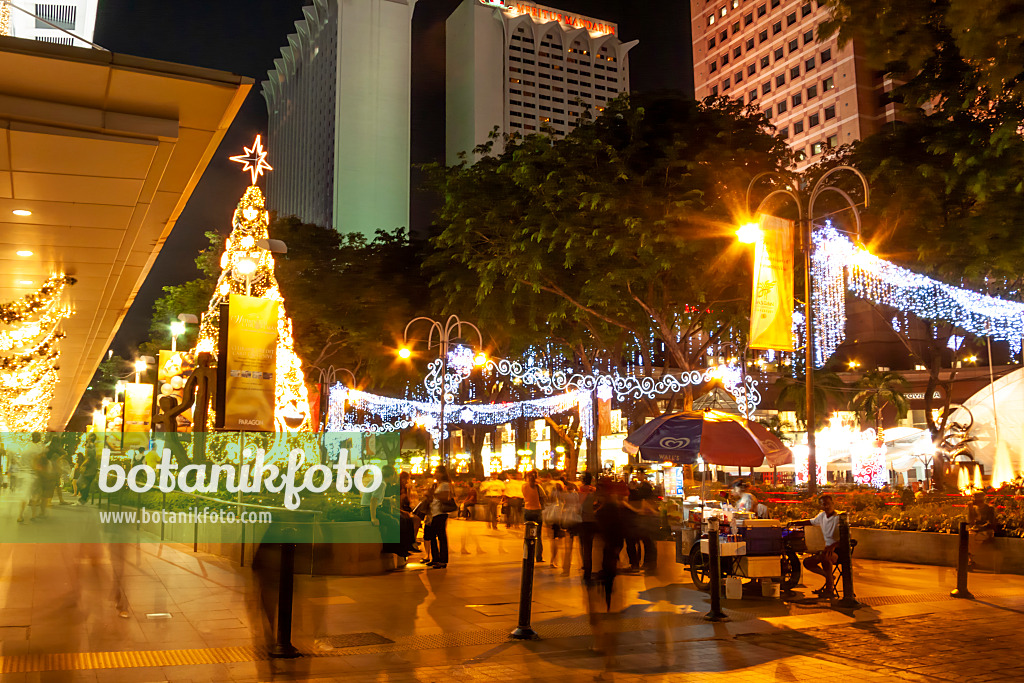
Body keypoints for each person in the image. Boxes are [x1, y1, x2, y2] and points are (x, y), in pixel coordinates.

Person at [798, 494, 841, 597]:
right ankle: (829, 577)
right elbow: (810, 522)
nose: (826, 507)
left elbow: (847, 538)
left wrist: (833, 546)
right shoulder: (821, 516)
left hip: (839, 551)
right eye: (824, 505)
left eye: (828, 504)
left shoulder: (839, 517)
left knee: (826, 557)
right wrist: (794, 523)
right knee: (807, 562)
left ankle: (829, 589)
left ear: (833, 504)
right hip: (827, 550)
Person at [428, 466, 454, 568]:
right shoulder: (438, 485)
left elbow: (445, 497)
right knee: (432, 536)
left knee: (441, 536)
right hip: (434, 513)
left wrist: (433, 494)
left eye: (437, 472)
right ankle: (435, 558)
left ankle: (443, 560)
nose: (435, 474)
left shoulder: (445, 485)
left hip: (440, 513)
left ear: (442, 473)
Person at [576, 472, 598, 582]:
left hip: (582, 520)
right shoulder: (594, 491)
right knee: (591, 545)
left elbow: (577, 506)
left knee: (583, 545)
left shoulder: (580, 491)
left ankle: (586, 566)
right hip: (593, 521)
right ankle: (590, 567)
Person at [967, 491, 997, 569]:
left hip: (986, 530)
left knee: (971, 538)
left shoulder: (989, 509)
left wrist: (980, 528)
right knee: (968, 537)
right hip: (975, 531)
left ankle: (971, 560)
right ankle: (971, 559)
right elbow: (970, 522)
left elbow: (991, 522)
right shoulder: (974, 509)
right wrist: (970, 510)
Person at [522, 470, 547, 562]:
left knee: (527, 534)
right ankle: (539, 556)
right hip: (537, 511)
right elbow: (544, 497)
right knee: (538, 535)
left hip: (527, 510)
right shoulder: (538, 487)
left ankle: (526, 554)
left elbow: (524, 496)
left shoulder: (524, 486)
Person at [77, 433, 99, 505]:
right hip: (91, 468)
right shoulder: (91, 445)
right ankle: (84, 498)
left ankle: (84, 498)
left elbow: (90, 458)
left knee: (80, 483)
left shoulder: (90, 446)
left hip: (89, 468)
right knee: (85, 484)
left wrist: (83, 465)